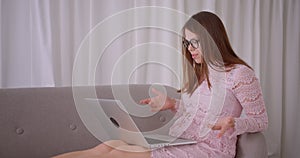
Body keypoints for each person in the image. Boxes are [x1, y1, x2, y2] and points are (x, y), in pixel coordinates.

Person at [53, 11, 268, 158]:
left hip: (210, 150)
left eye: (195, 42)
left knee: (120, 154)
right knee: (109, 146)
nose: (190, 49)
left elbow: (260, 120)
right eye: (186, 42)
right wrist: (172, 103)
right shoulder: (201, 74)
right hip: (184, 140)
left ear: (212, 39)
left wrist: (234, 123)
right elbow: (197, 113)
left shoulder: (240, 74)